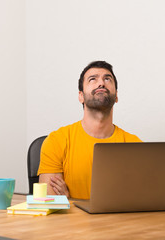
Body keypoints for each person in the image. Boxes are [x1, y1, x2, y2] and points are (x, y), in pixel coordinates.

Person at [37, 61, 141, 199]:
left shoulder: (135, 146)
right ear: (81, 96)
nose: (101, 83)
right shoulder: (57, 141)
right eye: (93, 79)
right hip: (70, 222)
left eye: (107, 79)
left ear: (116, 96)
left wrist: (70, 200)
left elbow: (137, 201)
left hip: (118, 221)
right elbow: (52, 204)